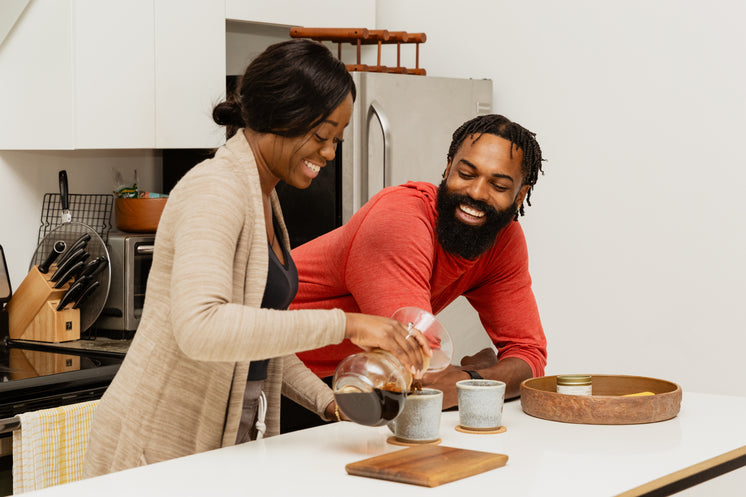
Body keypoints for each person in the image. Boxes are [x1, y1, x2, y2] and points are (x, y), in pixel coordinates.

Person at [82, 39, 430, 478]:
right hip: (156, 447)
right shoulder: (217, 189)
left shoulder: (263, 197)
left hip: (223, 444)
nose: (329, 153)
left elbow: (263, 346)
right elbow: (201, 326)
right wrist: (349, 323)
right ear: (282, 115)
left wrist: (329, 403)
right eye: (321, 135)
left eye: (337, 140)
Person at [289, 114, 547, 413]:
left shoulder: (504, 241)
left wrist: (472, 377)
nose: (476, 193)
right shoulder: (399, 218)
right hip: (266, 368)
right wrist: (487, 373)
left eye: (499, 186)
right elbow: (418, 369)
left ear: (520, 196)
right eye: (466, 174)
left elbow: (530, 358)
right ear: (448, 167)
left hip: (335, 382)